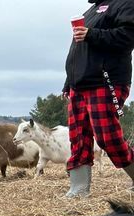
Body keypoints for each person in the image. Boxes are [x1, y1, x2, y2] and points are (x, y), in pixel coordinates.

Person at [63, 0, 134, 197]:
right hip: (79, 84)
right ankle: (79, 189)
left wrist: (91, 34)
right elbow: (78, 52)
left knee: (107, 137)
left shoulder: (125, 3)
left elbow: (128, 37)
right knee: (78, 137)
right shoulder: (91, 10)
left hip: (106, 80)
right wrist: (68, 82)